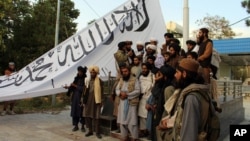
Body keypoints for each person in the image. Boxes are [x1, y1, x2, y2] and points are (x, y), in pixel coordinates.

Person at [164, 58, 209, 141]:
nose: (175, 75)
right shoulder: (199, 91)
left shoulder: (191, 98)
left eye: (177, 72)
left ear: (184, 74)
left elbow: (189, 134)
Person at [150, 65, 176, 141]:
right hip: (158, 115)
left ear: (165, 77)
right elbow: (155, 93)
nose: (157, 76)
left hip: (163, 120)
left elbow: (168, 108)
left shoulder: (169, 89)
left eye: (160, 74)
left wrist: (163, 122)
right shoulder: (162, 85)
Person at [116, 65, 140, 141]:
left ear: (129, 71)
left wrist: (127, 95)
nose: (124, 73)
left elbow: (138, 91)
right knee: (122, 121)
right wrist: (120, 94)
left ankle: (134, 138)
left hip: (131, 102)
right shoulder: (121, 80)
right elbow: (117, 89)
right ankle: (124, 137)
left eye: (126, 71)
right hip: (122, 102)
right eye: (123, 72)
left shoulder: (135, 80)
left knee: (132, 122)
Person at [63, 66, 87, 132]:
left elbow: (84, 89)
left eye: (80, 71)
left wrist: (75, 86)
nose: (79, 72)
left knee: (82, 112)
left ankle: (82, 126)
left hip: (81, 98)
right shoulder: (76, 78)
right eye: (78, 71)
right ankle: (76, 126)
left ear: (83, 72)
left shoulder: (85, 79)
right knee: (75, 112)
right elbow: (72, 87)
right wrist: (67, 87)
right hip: (74, 98)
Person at [83, 66, 103, 139]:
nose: (92, 73)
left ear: (96, 73)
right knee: (88, 116)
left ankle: (97, 132)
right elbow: (84, 91)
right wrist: (83, 100)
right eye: (91, 72)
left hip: (96, 101)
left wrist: (101, 101)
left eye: (93, 72)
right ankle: (90, 131)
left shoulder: (99, 81)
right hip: (88, 101)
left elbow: (102, 92)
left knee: (97, 117)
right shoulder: (87, 80)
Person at [138, 63, 155, 138]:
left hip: (149, 98)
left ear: (148, 69)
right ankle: (142, 131)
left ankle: (148, 131)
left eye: (145, 68)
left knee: (148, 115)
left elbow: (153, 87)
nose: (144, 70)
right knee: (141, 115)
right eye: (143, 68)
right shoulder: (141, 76)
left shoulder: (152, 76)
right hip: (142, 98)